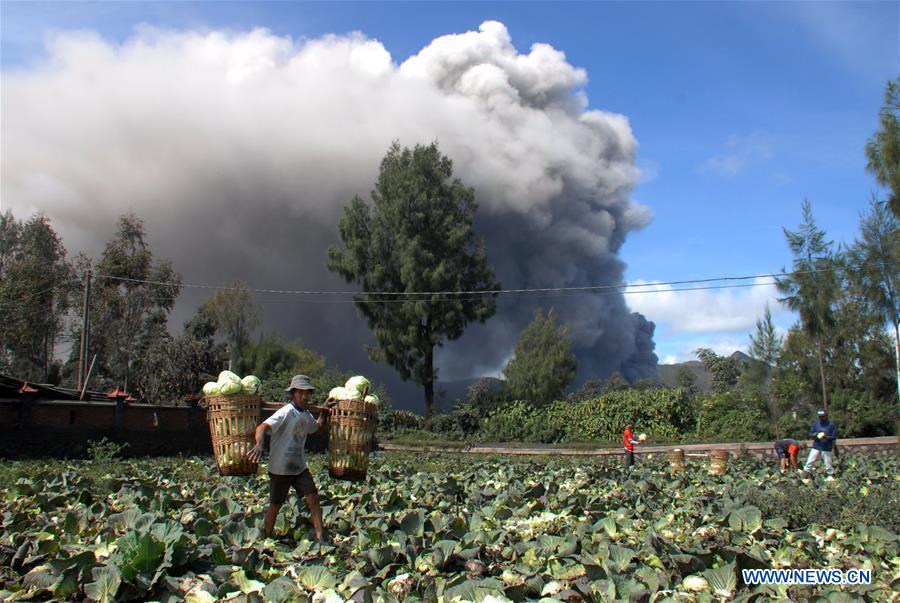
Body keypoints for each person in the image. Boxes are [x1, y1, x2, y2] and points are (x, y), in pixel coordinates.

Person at [248, 374, 330, 540]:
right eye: (300, 393)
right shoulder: (285, 412)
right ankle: (265, 537)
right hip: (280, 467)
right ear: (293, 394)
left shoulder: (306, 415)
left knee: (313, 498)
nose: (304, 396)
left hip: (298, 467)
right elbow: (262, 427)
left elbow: (316, 428)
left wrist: (324, 413)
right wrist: (259, 444)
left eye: (307, 393)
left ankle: (321, 537)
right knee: (276, 504)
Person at [801, 409, 837, 479]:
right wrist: (814, 435)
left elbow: (834, 437)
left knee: (828, 462)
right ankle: (805, 474)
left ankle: (830, 475)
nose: (821, 418)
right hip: (817, 445)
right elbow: (810, 434)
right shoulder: (815, 424)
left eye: (823, 416)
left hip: (826, 446)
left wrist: (826, 437)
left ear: (826, 416)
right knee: (810, 460)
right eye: (820, 417)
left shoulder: (831, 425)